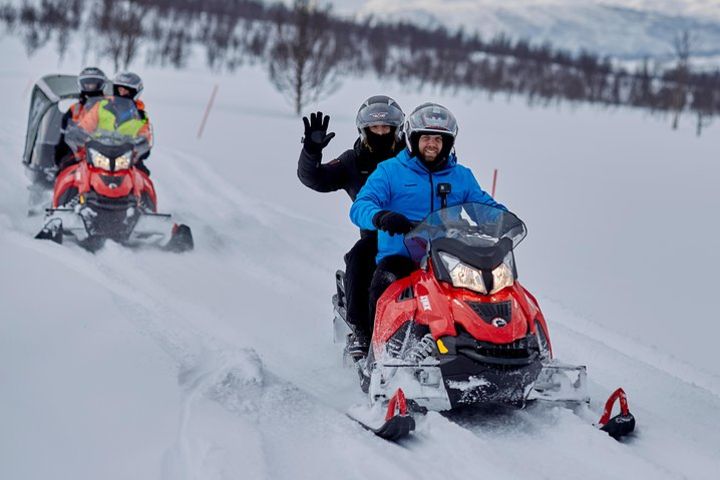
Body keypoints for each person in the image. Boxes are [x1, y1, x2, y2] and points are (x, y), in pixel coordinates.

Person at [350, 102, 506, 343]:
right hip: (402, 256)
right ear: (413, 139)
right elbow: (361, 204)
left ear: (448, 143)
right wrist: (380, 216)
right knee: (384, 284)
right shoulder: (390, 171)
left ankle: (491, 343)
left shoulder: (461, 176)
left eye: (438, 139)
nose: (432, 144)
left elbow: (484, 206)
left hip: (450, 257)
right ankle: (375, 348)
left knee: (489, 290)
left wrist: (501, 220)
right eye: (426, 138)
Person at [298, 95, 406, 356]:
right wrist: (311, 153)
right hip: (376, 235)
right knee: (360, 258)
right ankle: (360, 330)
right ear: (364, 130)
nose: (381, 133)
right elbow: (316, 179)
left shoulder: (410, 158)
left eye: (386, 128)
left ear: (397, 130)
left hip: (421, 233)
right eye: (375, 129)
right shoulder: (353, 161)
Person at [78, 71, 153, 175]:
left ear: (135, 93)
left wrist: (142, 143)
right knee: (72, 170)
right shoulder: (101, 106)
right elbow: (86, 125)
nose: (121, 93)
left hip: (126, 156)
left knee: (143, 177)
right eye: (119, 89)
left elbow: (145, 134)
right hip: (97, 152)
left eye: (126, 90)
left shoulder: (140, 116)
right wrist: (79, 133)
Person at [55, 67, 108, 171]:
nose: (90, 87)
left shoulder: (109, 107)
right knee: (66, 168)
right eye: (87, 84)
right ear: (82, 85)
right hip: (79, 152)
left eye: (94, 83)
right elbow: (63, 136)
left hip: (106, 150)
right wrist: (59, 157)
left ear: (101, 84)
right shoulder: (74, 109)